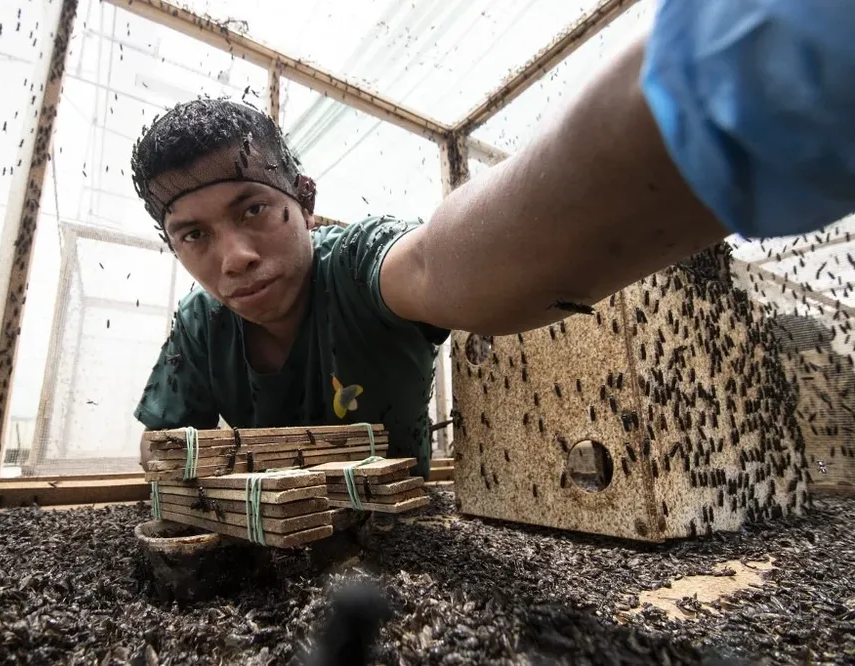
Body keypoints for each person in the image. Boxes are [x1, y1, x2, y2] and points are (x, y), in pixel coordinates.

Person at [131, 1, 855, 476]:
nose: (233, 257)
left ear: (306, 202)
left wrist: (712, 89)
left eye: (253, 209)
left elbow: (437, 263)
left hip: (401, 545)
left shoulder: (355, 270)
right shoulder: (197, 332)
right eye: (193, 234)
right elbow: (164, 455)